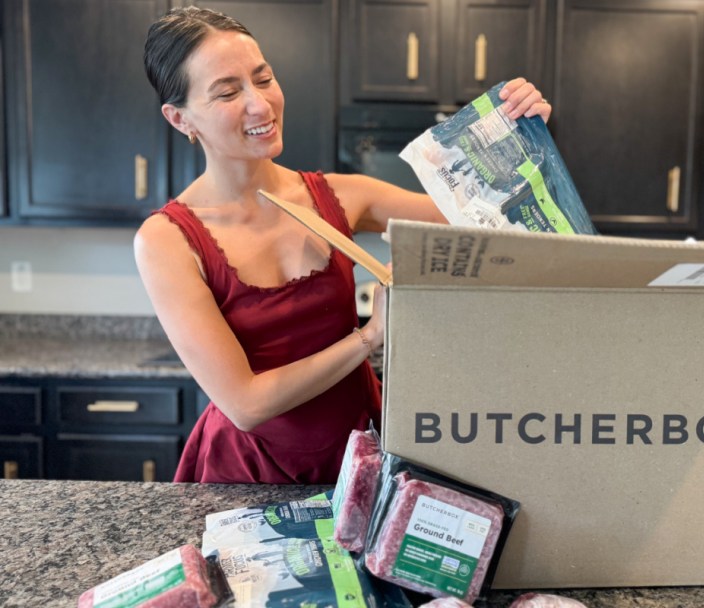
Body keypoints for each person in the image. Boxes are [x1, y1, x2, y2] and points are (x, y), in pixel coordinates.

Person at [136, 6, 553, 484]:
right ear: (179, 118)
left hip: (361, 453)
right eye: (229, 92)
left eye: (264, 78)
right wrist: (370, 336)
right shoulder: (167, 240)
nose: (260, 105)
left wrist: (521, 136)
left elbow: (483, 221)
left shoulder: (341, 196)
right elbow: (246, 404)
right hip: (246, 473)